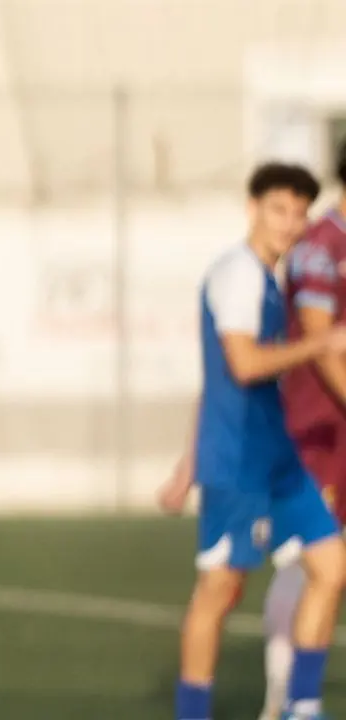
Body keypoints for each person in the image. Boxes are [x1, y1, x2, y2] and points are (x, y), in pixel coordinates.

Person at [157, 162, 346, 720]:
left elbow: (214, 380)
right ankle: (193, 713)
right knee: (219, 591)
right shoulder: (237, 273)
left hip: (276, 458)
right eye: (277, 210)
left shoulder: (267, 279)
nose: (289, 223)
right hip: (239, 460)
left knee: (331, 568)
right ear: (252, 209)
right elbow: (242, 365)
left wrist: (185, 463)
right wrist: (320, 345)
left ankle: (301, 707)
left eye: (298, 214)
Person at [262, 141, 346, 720]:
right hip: (316, 429)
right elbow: (321, 343)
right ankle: (287, 699)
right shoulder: (322, 245)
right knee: (311, 561)